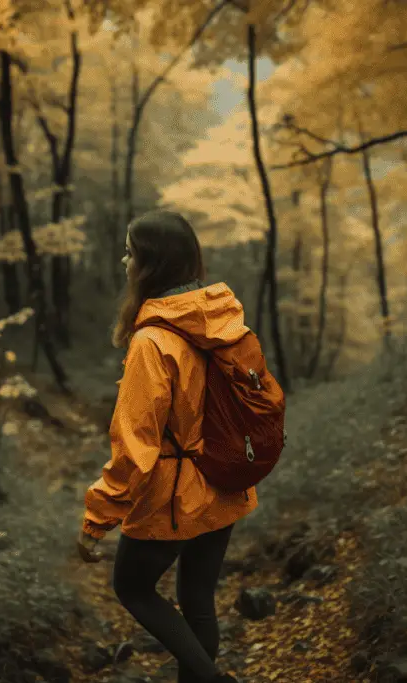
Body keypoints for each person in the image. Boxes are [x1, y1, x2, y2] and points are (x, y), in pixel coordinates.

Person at [77, 210, 257, 683]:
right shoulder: (221, 319)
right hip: (225, 479)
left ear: (150, 265)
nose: (124, 259)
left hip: (175, 494)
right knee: (197, 600)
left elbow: (135, 445)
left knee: (132, 589)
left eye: (131, 252)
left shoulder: (153, 340)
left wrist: (97, 520)